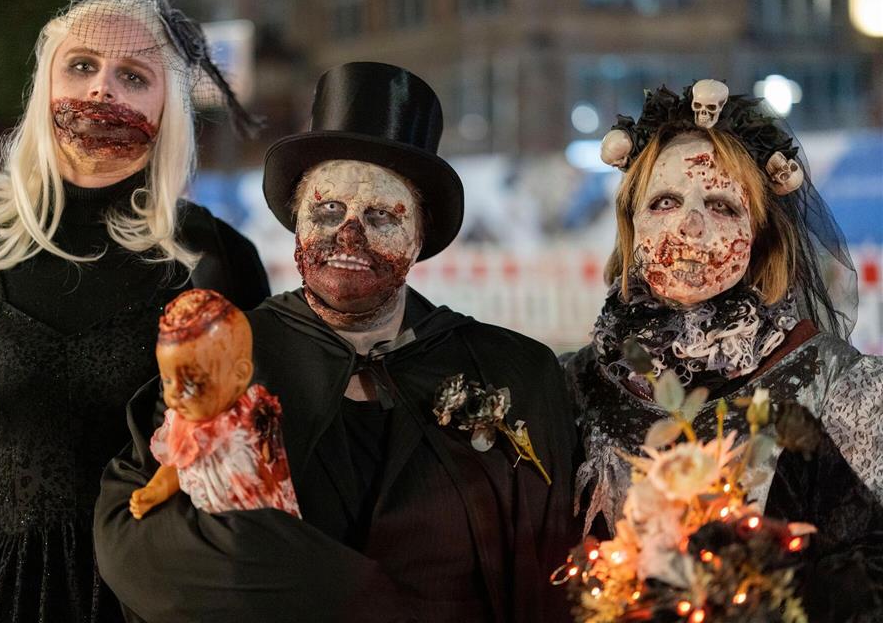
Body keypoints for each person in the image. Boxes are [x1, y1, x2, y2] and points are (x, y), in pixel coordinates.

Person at [94, 61, 579, 623]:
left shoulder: (514, 371)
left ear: (419, 236)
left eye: (381, 215)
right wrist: (351, 597)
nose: (349, 233)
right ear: (296, 221)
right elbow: (138, 539)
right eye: (328, 210)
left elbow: (554, 571)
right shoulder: (224, 353)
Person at [0, 0, 269, 621]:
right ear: (45, 86)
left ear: (167, 110)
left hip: (145, 596)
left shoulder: (215, 260)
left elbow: (245, 465)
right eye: (81, 66)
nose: (100, 89)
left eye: (132, 75)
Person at [564, 81, 883, 621]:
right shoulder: (566, 384)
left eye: (720, 204)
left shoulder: (837, 384)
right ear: (631, 221)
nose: (690, 224)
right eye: (665, 201)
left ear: (759, 236)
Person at [128, 288, 299, 519]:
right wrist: (155, 490)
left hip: (254, 525)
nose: (175, 394)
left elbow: (271, 481)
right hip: (205, 525)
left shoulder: (247, 425)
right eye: (167, 380)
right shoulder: (182, 422)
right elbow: (179, 463)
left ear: (240, 375)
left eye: (192, 384)